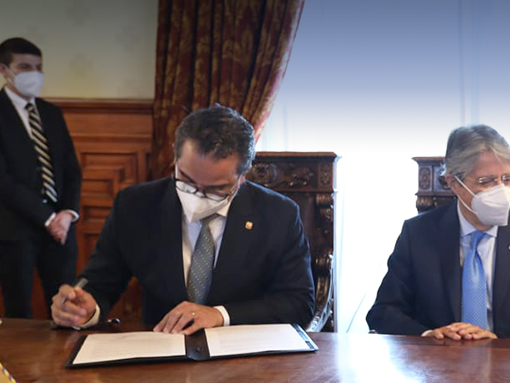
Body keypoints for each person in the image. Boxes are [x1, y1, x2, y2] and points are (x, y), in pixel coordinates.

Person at [50, 105, 315, 333]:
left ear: (242, 177)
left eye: (216, 189)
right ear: (175, 158)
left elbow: (298, 303)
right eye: (187, 180)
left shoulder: (279, 215)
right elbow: (100, 282)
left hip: (243, 356)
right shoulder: (134, 206)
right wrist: (84, 309)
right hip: (164, 349)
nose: (198, 196)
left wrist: (220, 315)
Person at [366, 124, 510, 340]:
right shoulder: (418, 234)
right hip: (440, 358)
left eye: (507, 179)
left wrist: (502, 347)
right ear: (454, 183)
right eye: (486, 181)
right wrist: (428, 336)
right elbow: (383, 312)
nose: (501, 190)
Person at [0, 38, 81, 318]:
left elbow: (71, 169)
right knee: (18, 311)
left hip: (61, 228)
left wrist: (67, 213)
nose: (34, 74)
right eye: (25, 67)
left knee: (65, 307)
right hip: (12, 228)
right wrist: (47, 218)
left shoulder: (51, 113)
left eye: (39, 67)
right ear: (3, 69)